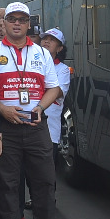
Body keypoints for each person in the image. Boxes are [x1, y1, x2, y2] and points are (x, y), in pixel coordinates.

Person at [0, 1, 63, 219]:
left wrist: (40, 107)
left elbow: (54, 87)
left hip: (37, 126)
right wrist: (2, 109)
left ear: (29, 24)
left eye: (22, 19)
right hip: (5, 128)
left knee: (45, 182)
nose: (17, 23)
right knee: (8, 184)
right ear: (3, 23)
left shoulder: (42, 53)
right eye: (12, 19)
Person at [40, 27, 71, 156]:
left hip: (50, 130)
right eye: (45, 39)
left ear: (59, 48)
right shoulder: (31, 63)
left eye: (52, 40)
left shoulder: (62, 69)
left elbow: (57, 92)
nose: (47, 42)